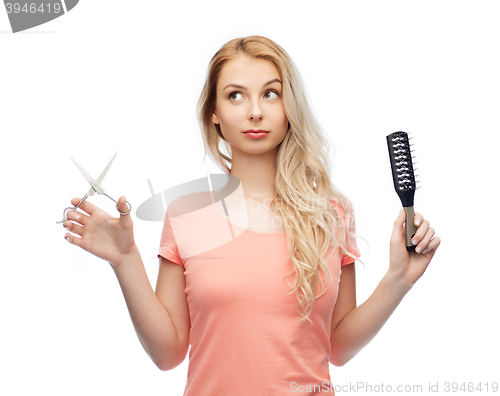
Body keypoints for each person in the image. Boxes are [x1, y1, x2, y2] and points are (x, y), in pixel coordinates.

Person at [62, 35, 441, 395]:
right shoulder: (187, 213)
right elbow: (168, 353)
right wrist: (125, 259)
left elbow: (337, 346)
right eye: (236, 95)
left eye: (271, 94)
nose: (256, 111)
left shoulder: (332, 213)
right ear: (214, 112)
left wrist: (398, 279)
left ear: (288, 107)